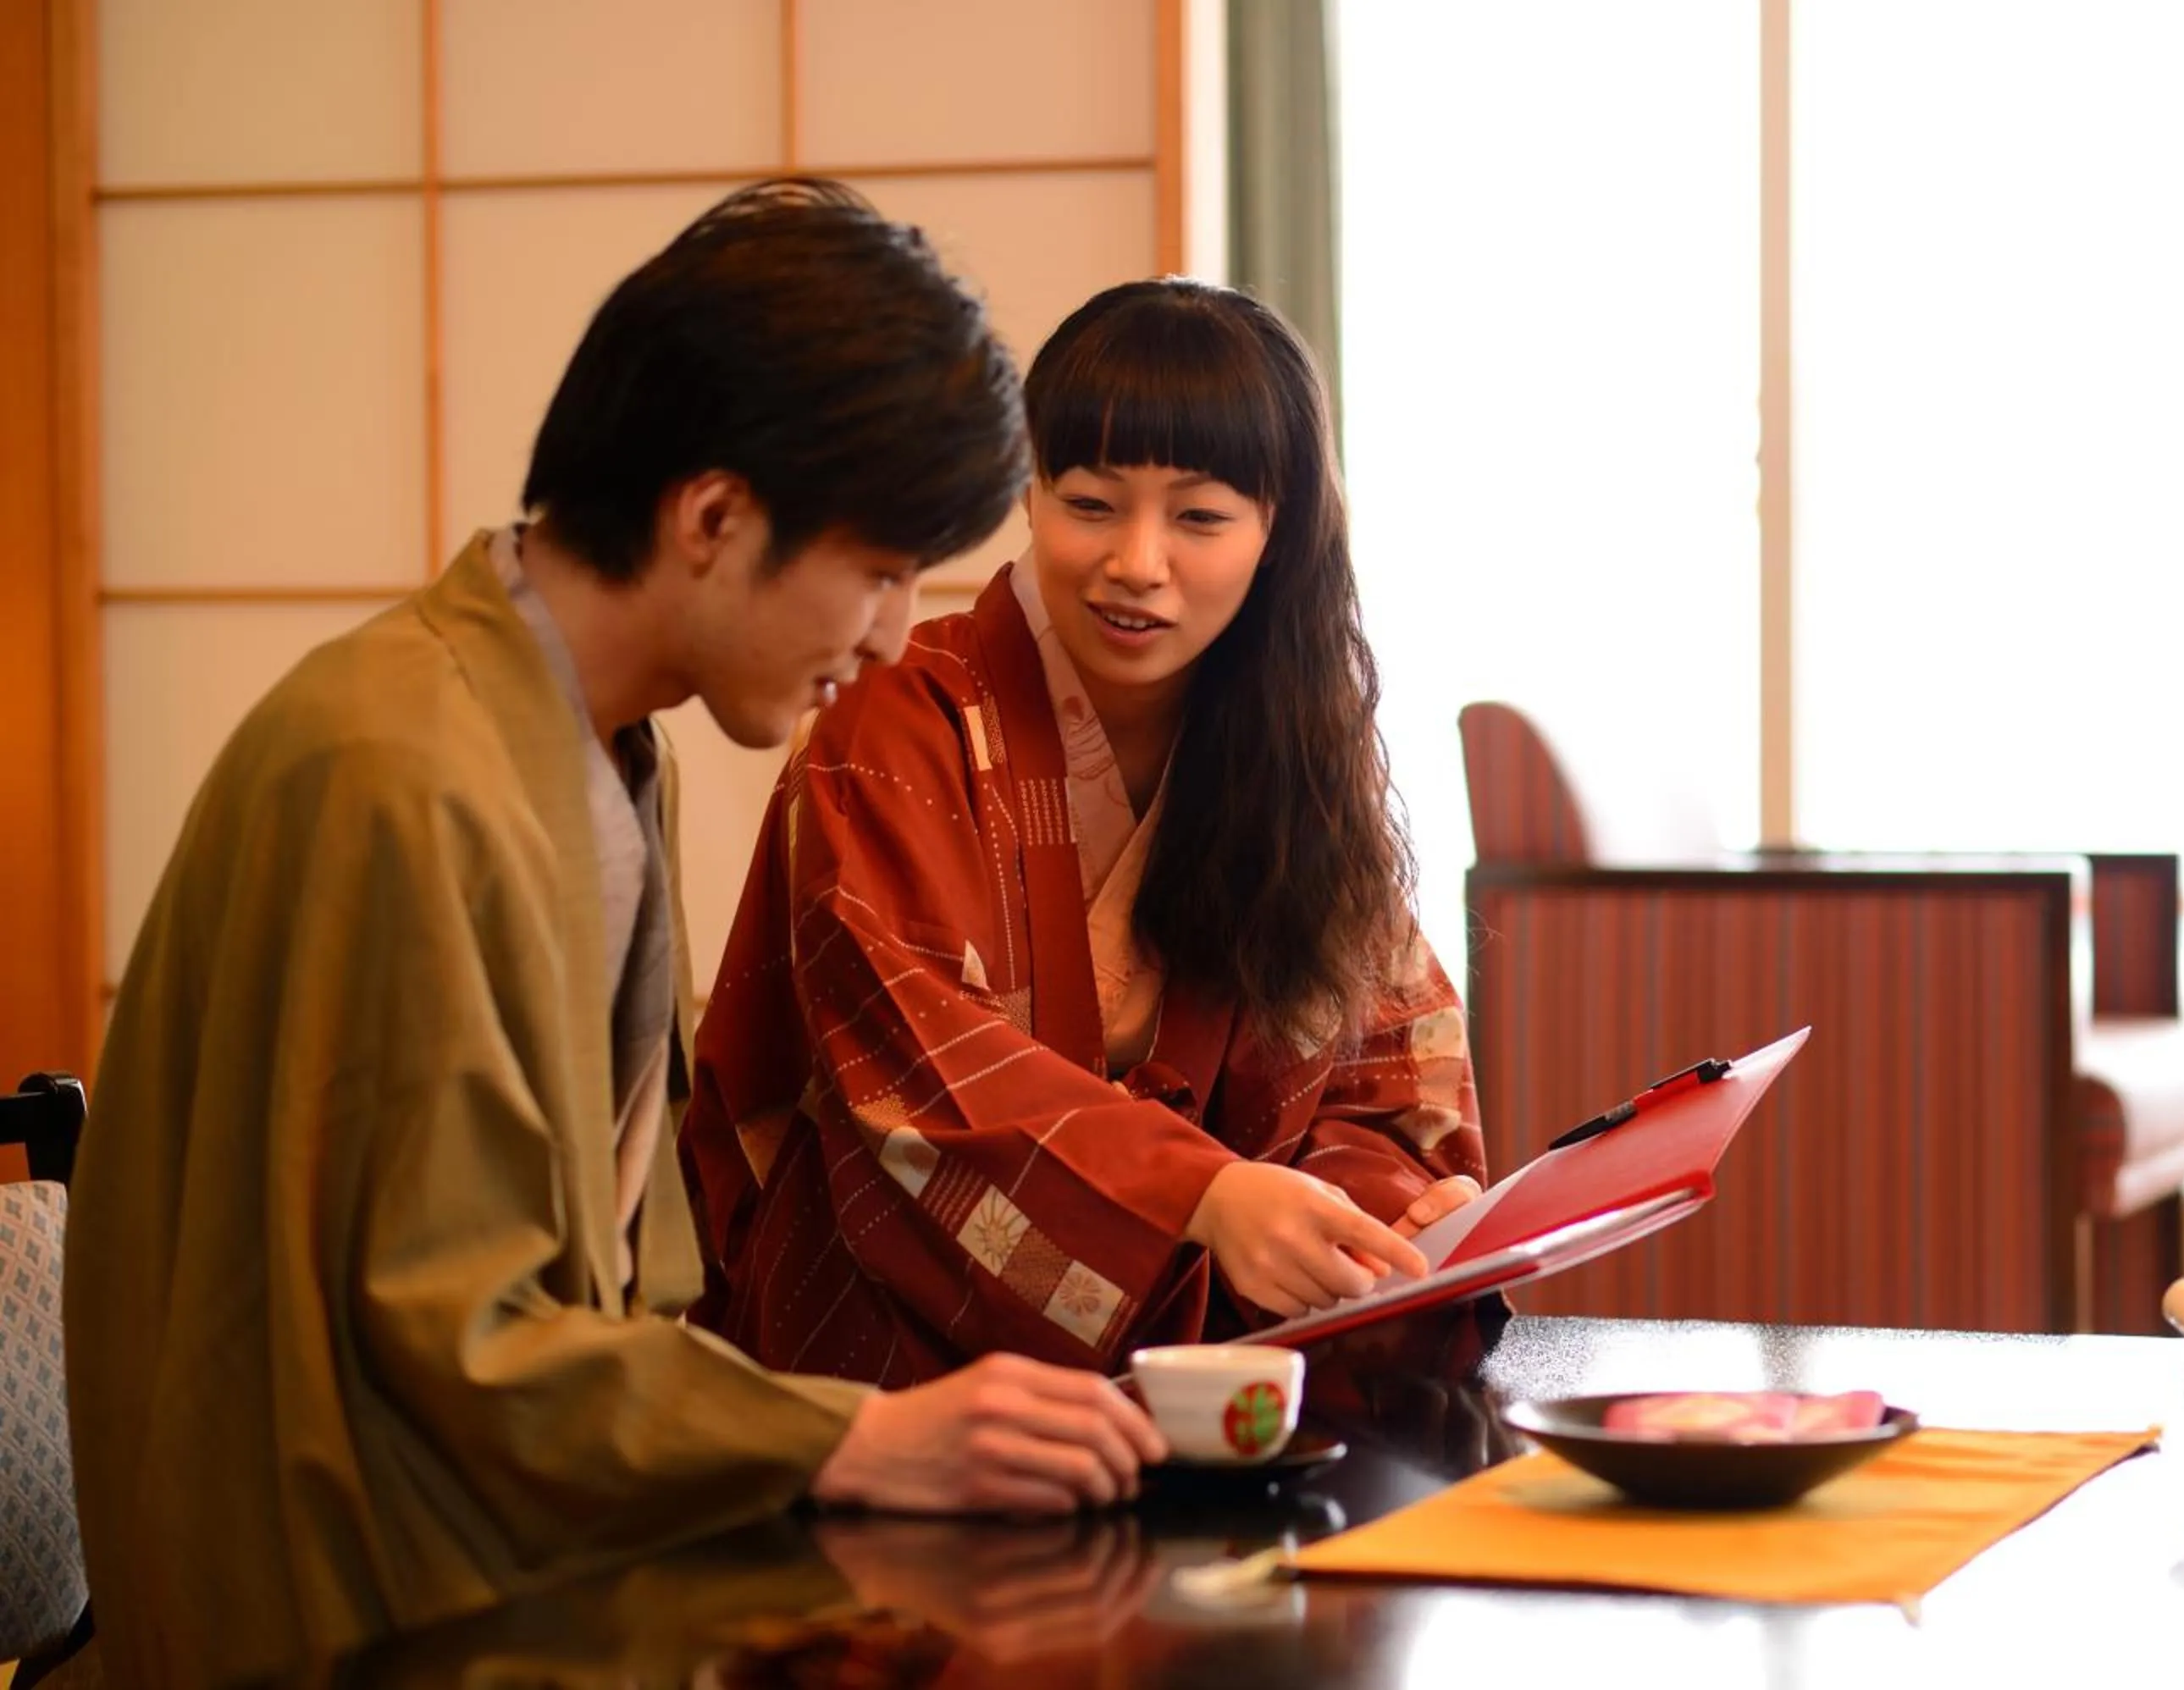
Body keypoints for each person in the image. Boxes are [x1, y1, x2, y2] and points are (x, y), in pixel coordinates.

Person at [62, 180, 1165, 1690]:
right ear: (712, 518)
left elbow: (608, 1280)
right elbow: (452, 1336)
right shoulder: (401, 771)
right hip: (354, 1610)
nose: (892, 631)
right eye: (879, 569)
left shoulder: (594, 740)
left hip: (498, 1562)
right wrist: (857, 1435)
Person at [680, 278, 1490, 1388]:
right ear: (1030, 492)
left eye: (1200, 517)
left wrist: (1372, 1219)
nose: (1137, 563)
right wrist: (1203, 1196)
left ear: (1277, 529)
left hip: (1222, 1374)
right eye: (1092, 503)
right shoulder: (898, 724)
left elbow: (1380, 1063)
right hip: (899, 1372)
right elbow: (914, 1063)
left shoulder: (1296, 750)